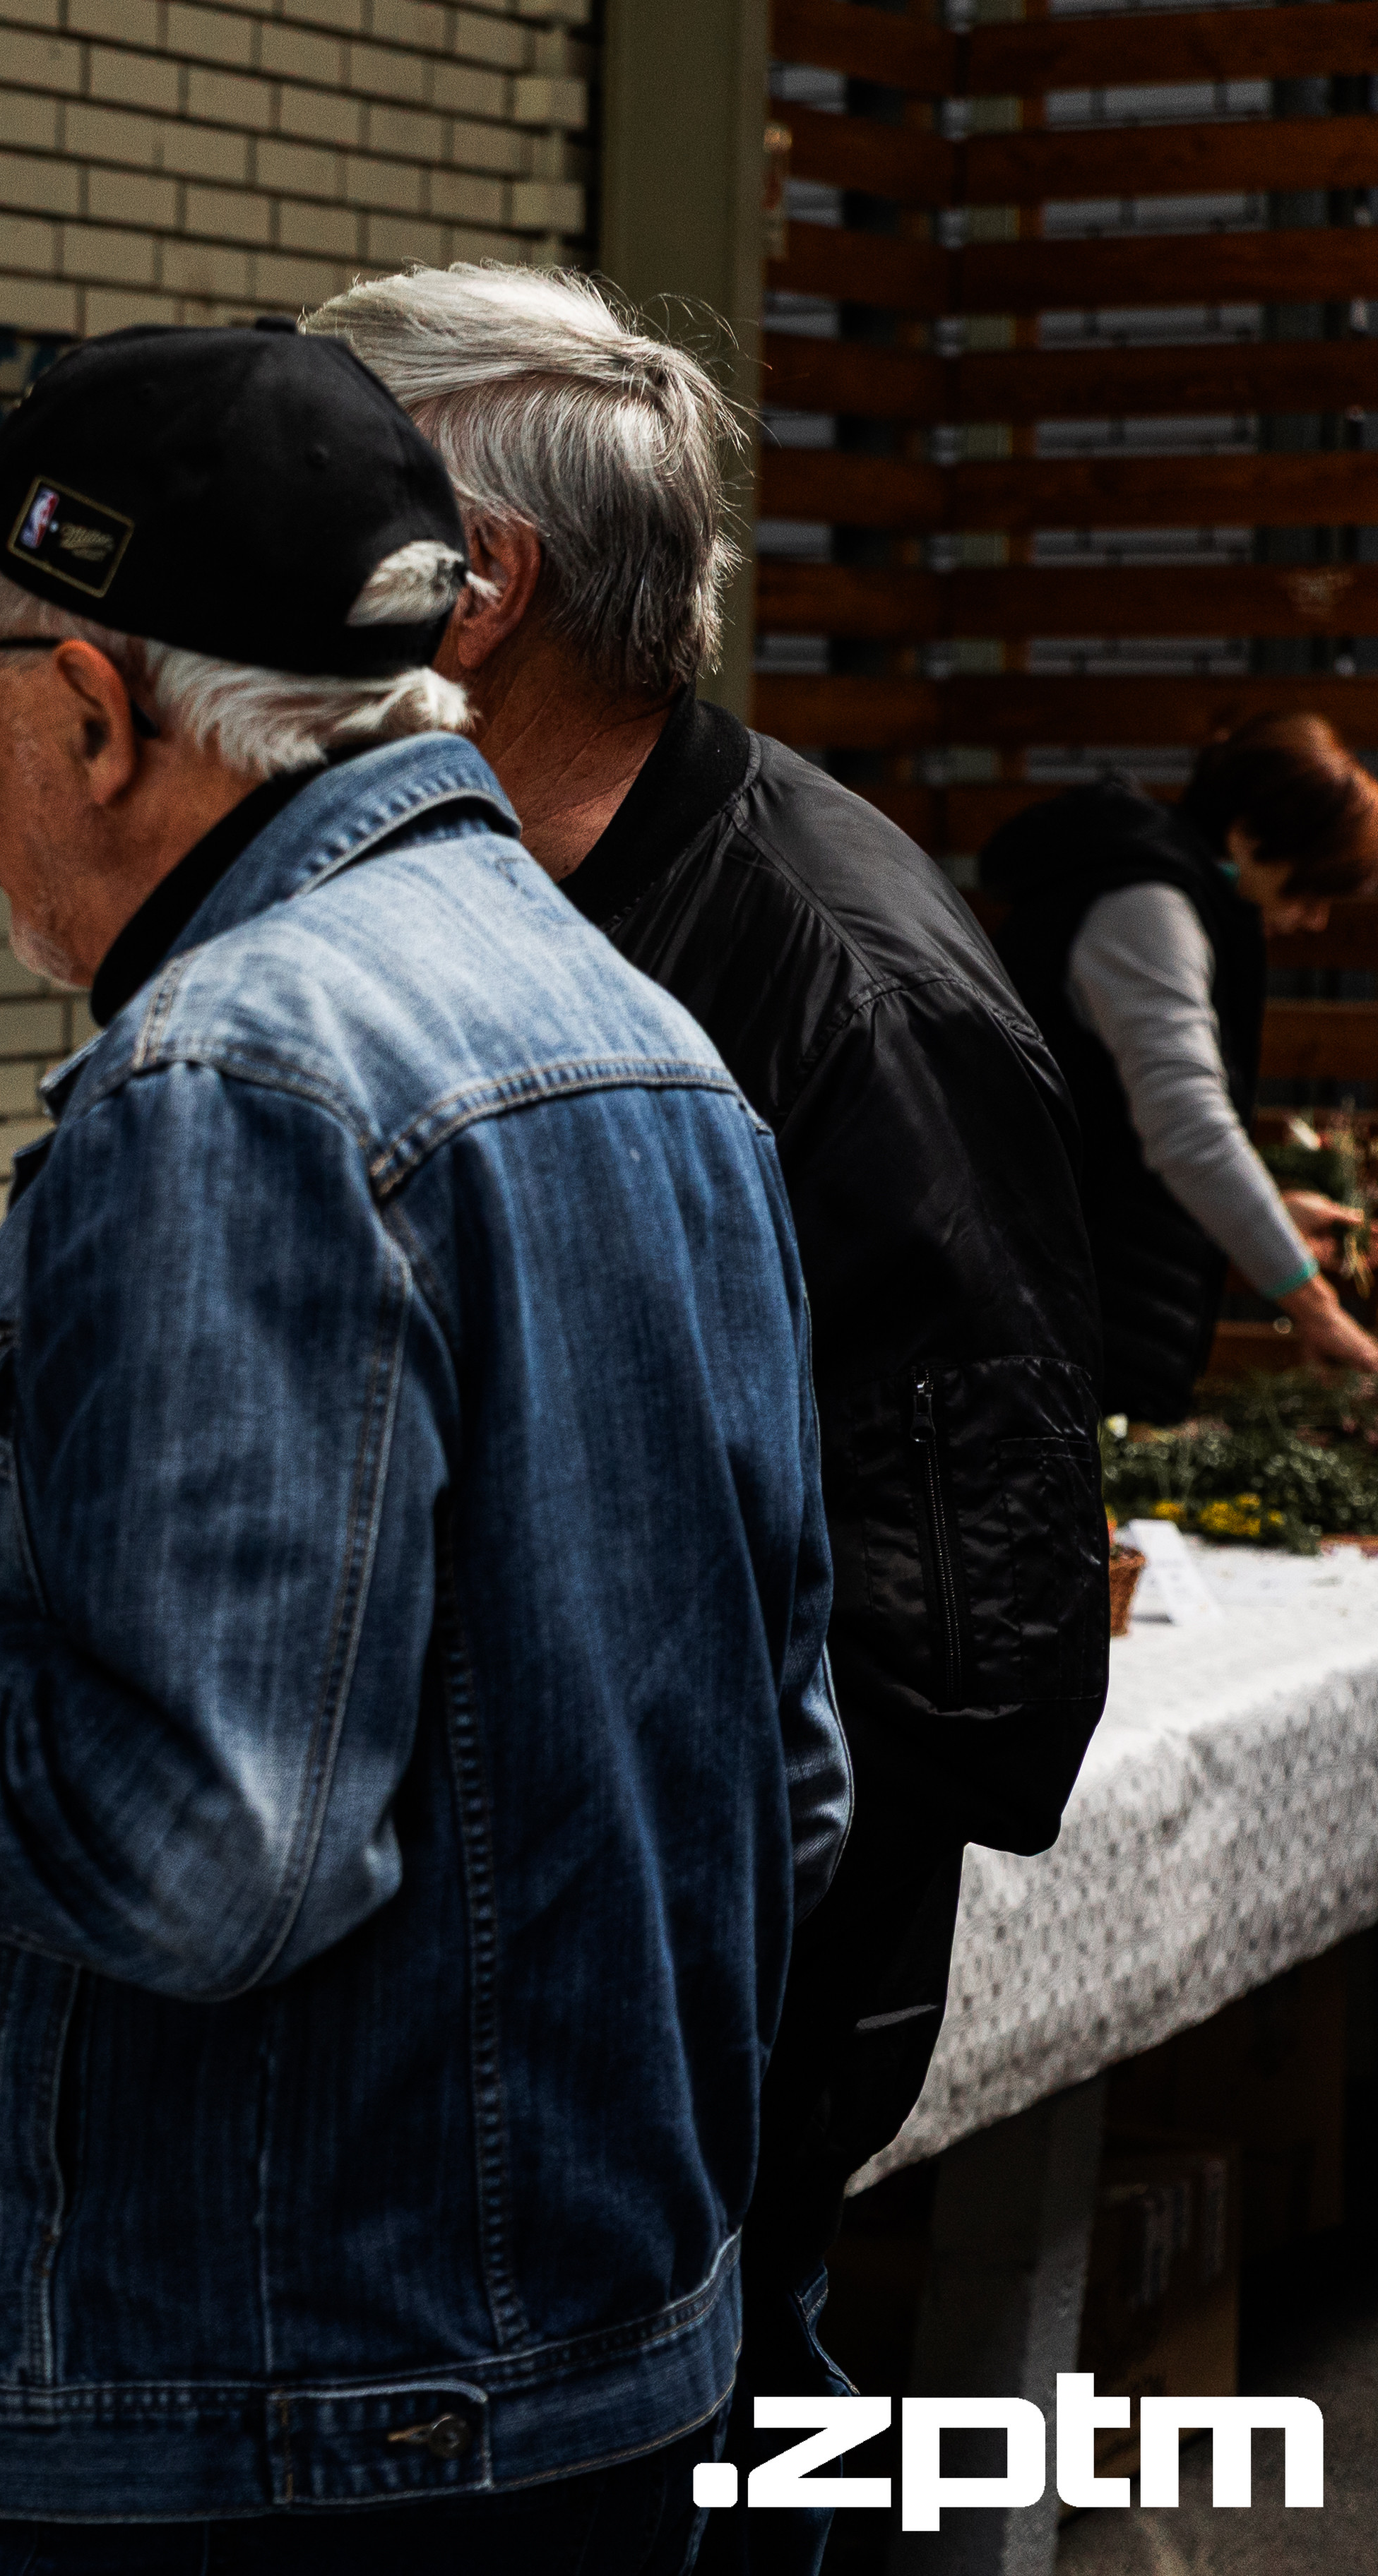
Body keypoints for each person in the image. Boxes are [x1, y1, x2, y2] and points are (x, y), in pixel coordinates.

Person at [0, 322, 844, 2575]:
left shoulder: (240, 1083)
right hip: (585, 2369)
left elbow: (200, 1842)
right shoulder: (644, 1036)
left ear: (100, 716)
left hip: (283, 2443)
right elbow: (786, 1778)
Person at [301, 263, 1115, 2575]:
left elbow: (976, 1678)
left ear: (476, 590)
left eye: (309, 509)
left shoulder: (837, 986)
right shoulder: (476, 901)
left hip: (649, 2093)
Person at [984, 713, 1378, 1415]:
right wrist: (1314, 1305)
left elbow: (1133, 1131)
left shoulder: (1166, 896)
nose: (1314, 919)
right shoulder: (1148, 911)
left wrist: (1272, 1214)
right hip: (1054, 1316)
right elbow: (1188, 1128)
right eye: (1308, 889)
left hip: (1074, 1304)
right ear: (1247, 835)